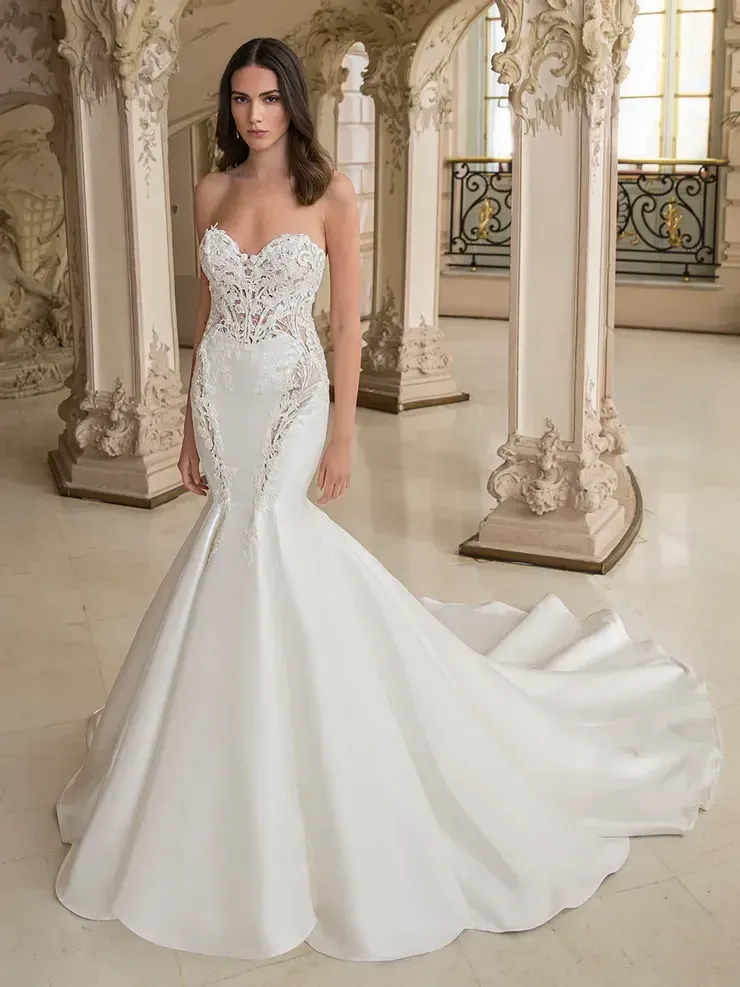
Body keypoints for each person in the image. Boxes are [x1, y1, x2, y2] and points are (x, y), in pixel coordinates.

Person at [54, 37, 721, 964]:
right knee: (227, 546)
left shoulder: (330, 194)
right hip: (224, 398)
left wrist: (340, 430)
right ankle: (221, 762)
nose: (253, 116)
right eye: (240, 100)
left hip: (291, 401)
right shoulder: (209, 193)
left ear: (293, 103)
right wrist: (182, 422)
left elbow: (343, 326)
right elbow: (206, 315)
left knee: (273, 543)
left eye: (268, 99)